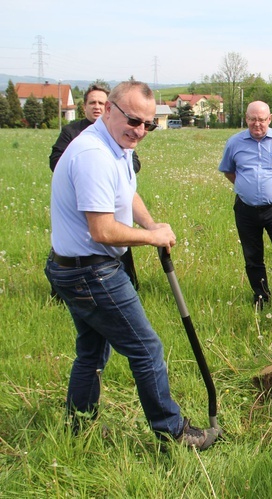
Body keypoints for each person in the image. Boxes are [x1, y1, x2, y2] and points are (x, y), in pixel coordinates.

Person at [44, 81, 217, 450]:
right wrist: (152, 238)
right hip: (89, 271)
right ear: (108, 109)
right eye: (133, 120)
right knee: (146, 348)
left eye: (148, 125)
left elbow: (128, 193)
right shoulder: (93, 154)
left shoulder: (114, 145)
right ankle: (173, 434)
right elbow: (102, 229)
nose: (139, 130)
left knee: (92, 350)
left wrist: (151, 223)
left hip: (76, 267)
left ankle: (78, 424)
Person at [49, 83, 141, 291]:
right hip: (87, 263)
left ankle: (129, 284)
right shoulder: (83, 141)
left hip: (109, 242)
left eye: (101, 102)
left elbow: (132, 170)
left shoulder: (120, 137)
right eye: (93, 103)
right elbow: (56, 160)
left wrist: (151, 226)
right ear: (85, 107)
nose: (97, 107)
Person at [219, 101, 272, 310]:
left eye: (261, 119)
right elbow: (229, 171)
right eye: (252, 119)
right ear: (246, 118)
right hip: (246, 210)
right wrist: (247, 188)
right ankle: (261, 297)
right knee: (252, 257)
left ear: (270, 119)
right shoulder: (234, 143)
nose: (257, 124)